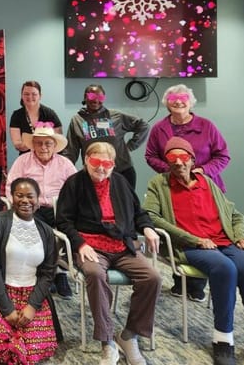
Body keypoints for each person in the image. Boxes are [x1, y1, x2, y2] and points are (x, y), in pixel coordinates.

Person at [143, 137, 244, 365]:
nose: (179, 162)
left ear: (192, 159)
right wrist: (195, 239)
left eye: (184, 157)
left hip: (225, 240)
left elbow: (234, 213)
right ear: (166, 161)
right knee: (224, 268)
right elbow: (152, 217)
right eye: (172, 158)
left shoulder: (207, 181)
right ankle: (223, 339)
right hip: (190, 245)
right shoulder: (159, 183)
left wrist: (241, 236)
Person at [56, 141, 161, 365]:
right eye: (96, 161)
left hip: (122, 245)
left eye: (107, 163)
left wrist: (148, 228)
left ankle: (128, 335)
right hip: (90, 245)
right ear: (86, 160)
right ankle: (107, 342)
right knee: (95, 274)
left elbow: (138, 213)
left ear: (113, 165)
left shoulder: (121, 182)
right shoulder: (74, 183)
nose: (101, 167)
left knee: (152, 278)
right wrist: (80, 244)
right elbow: (63, 221)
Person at [145, 84, 231, 301]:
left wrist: (202, 171)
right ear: (167, 102)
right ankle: (180, 281)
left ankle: (198, 284)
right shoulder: (158, 128)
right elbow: (151, 156)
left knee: (205, 230)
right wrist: (173, 170)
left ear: (190, 101)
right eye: (173, 97)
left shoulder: (207, 126)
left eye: (183, 97)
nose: (178, 101)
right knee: (177, 227)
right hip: (172, 189)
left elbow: (223, 156)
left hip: (204, 188)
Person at [0, 177, 58, 365]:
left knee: (39, 345)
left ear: (38, 200)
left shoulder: (46, 231)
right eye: (19, 195)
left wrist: (32, 307)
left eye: (30, 196)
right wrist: (7, 309)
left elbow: (47, 274)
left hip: (32, 295)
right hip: (1, 292)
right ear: (11, 198)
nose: (25, 201)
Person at [5, 124, 77, 299]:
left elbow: (77, 188)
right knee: (43, 233)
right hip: (31, 207)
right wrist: (20, 204)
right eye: (39, 143)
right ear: (33, 144)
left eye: (48, 143)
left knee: (72, 229)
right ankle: (46, 274)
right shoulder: (22, 162)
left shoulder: (65, 163)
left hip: (60, 208)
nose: (43, 147)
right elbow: (10, 187)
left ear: (54, 146)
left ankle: (61, 273)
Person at [63, 84, 150, 188]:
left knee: (125, 204)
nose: (96, 100)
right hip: (94, 174)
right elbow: (71, 150)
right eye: (92, 96)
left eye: (100, 97)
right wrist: (64, 171)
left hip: (122, 172)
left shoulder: (116, 116)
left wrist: (130, 146)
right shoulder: (77, 120)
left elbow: (143, 126)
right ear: (85, 97)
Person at [9, 81, 62, 155]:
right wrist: (36, 144)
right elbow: (17, 144)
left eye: (34, 94)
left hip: (48, 157)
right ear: (22, 96)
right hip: (26, 158)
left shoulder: (50, 114)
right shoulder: (17, 115)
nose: (30, 97)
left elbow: (58, 141)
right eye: (26, 94)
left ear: (40, 96)